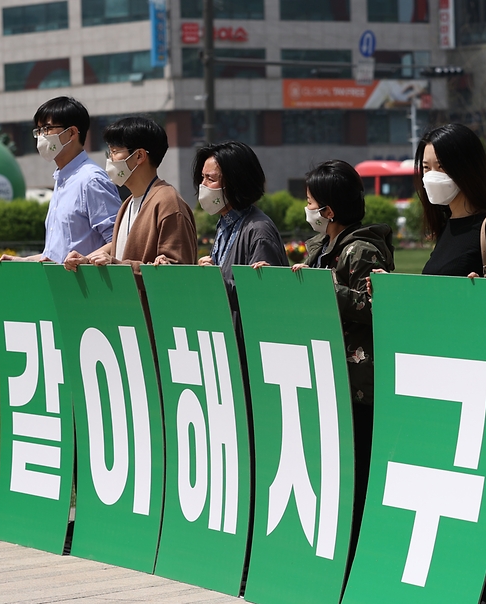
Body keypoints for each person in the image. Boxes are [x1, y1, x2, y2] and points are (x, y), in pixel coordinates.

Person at [254, 160, 395, 562]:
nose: (308, 209)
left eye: (311, 202)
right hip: (323, 376)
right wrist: (281, 280)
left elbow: (374, 307)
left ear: (329, 210)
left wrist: (324, 290)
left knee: (358, 474)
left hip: (357, 387)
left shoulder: (360, 250)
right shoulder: (321, 247)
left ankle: (356, 559)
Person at [64, 116, 196, 272]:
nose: (109, 159)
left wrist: (117, 265)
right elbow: (119, 253)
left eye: (114, 151)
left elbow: (177, 273)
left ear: (139, 156)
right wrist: (88, 261)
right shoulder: (128, 203)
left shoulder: (168, 203)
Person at [0, 97, 120, 263]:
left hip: (88, 285)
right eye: (39, 130)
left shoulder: (91, 180)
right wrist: (24, 260)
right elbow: (58, 254)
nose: (42, 136)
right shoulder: (62, 179)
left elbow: (119, 240)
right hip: (62, 285)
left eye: (47, 128)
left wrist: (86, 260)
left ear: (71, 133)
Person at [417, 123, 486, 279]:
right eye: (426, 167)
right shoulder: (447, 226)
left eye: (441, 167)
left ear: (466, 169)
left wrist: (481, 291)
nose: (432, 176)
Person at [193, 141, 287, 312]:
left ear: (235, 182)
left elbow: (265, 296)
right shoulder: (225, 224)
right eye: (202, 177)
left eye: (210, 178)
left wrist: (215, 281)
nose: (203, 185)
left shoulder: (258, 231)